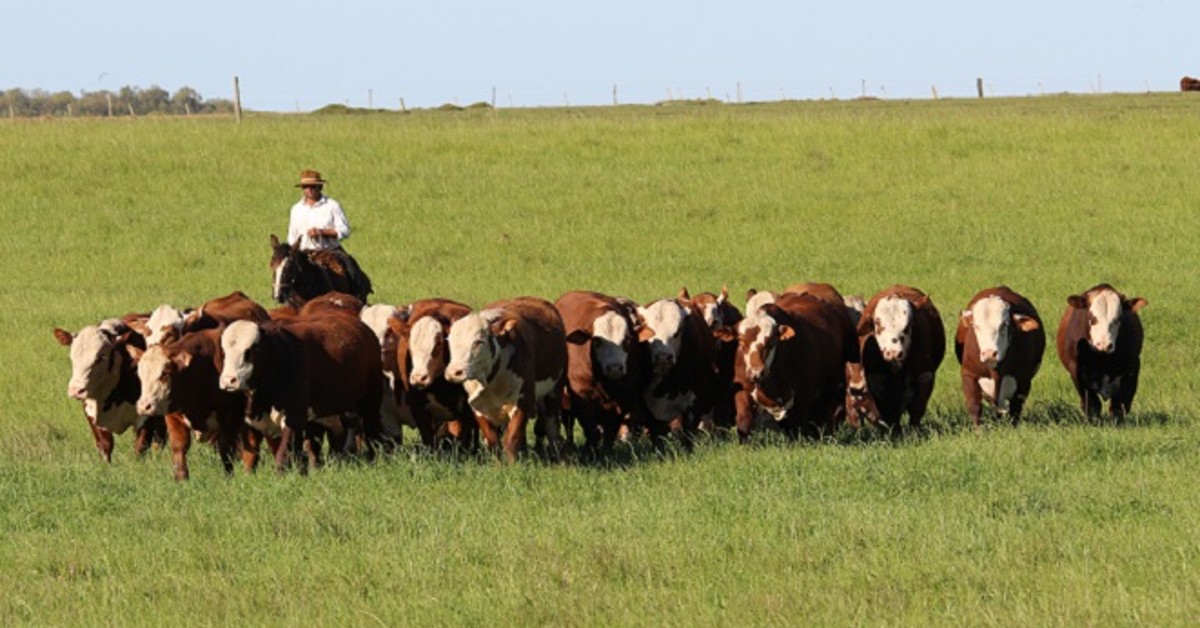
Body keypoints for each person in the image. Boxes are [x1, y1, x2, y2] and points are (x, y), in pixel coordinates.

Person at [286, 169, 372, 298]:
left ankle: (358, 296)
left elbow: (344, 230)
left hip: (329, 251)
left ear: (320, 187)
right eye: (306, 187)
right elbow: (292, 237)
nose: (309, 189)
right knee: (287, 277)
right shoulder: (296, 209)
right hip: (304, 253)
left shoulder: (332, 206)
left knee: (352, 270)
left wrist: (322, 232)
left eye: (313, 186)